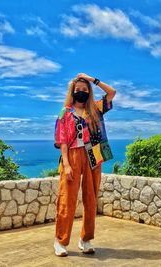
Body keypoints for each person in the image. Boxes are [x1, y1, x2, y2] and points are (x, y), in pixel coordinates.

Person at [53, 73, 116, 256]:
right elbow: (62, 140)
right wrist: (66, 163)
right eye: (77, 89)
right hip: (72, 154)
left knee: (91, 199)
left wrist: (92, 79)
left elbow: (112, 93)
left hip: (94, 154)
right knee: (67, 199)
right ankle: (60, 241)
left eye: (84, 89)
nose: (81, 92)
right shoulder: (65, 112)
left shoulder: (95, 109)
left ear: (89, 91)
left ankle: (85, 239)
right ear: (72, 92)